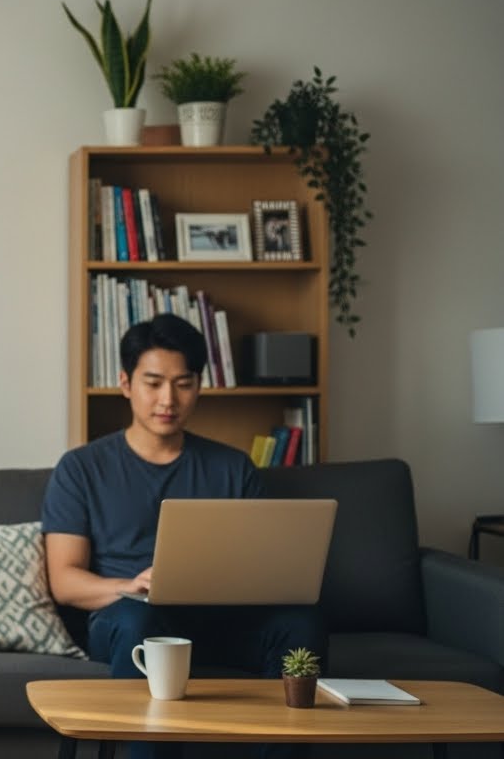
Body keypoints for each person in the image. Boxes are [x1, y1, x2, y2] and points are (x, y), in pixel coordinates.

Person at [41, 313, 327, 759]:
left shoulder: (232, 468)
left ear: (199, 385)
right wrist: (129, 586)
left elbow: (263, 566)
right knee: (143, 624)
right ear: (125, 382)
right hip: (128, 619)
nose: (168, 399)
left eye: (184, 383)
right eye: (153, 383)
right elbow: (64, 580)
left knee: (300, 625)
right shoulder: (81, 469)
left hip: (218, 619)